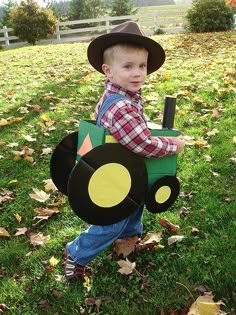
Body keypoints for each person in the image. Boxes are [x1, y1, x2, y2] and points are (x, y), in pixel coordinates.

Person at [64, 21, 185, 281]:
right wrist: (172, 146)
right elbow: (141, 144)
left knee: (135, 199)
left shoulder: (121, 96)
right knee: (113, 219)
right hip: (115, 173)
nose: (138, 73)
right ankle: (77, 254)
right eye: (128, 66)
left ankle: (128, 239)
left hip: (123, 169)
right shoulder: (122, 106)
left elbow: (131, 130)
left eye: (142, 66)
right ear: (107, 70)